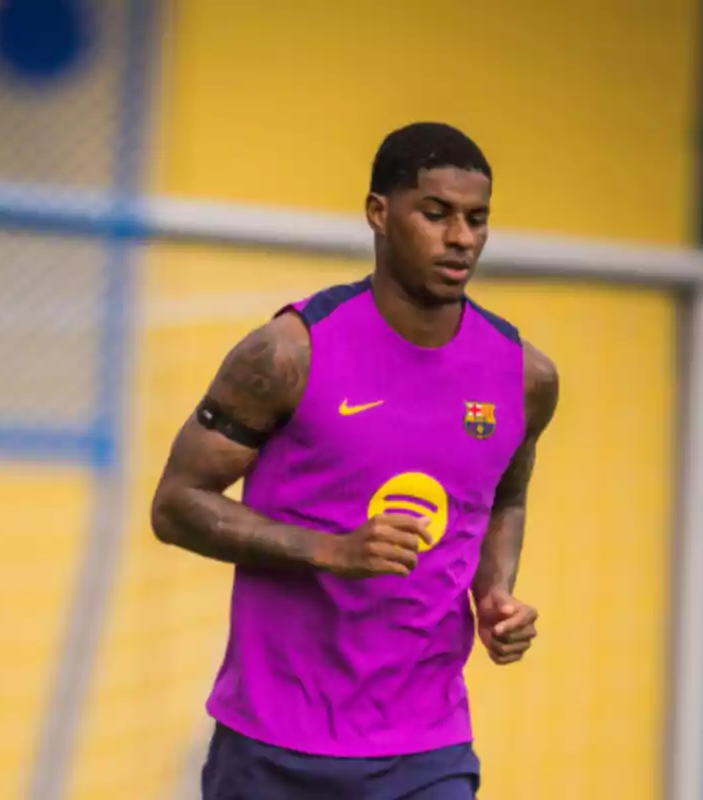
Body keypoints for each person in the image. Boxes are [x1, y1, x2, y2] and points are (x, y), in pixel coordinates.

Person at [150, 122, 560, 800]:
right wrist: (329, 551)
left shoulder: (523, 377)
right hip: (271, 746)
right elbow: (175, 505)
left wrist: (495, 593)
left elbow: (506, 496)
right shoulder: (286, 354)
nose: (461, 237)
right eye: (436, 214)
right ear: (379, 213)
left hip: (427, 750)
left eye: (477, 219)